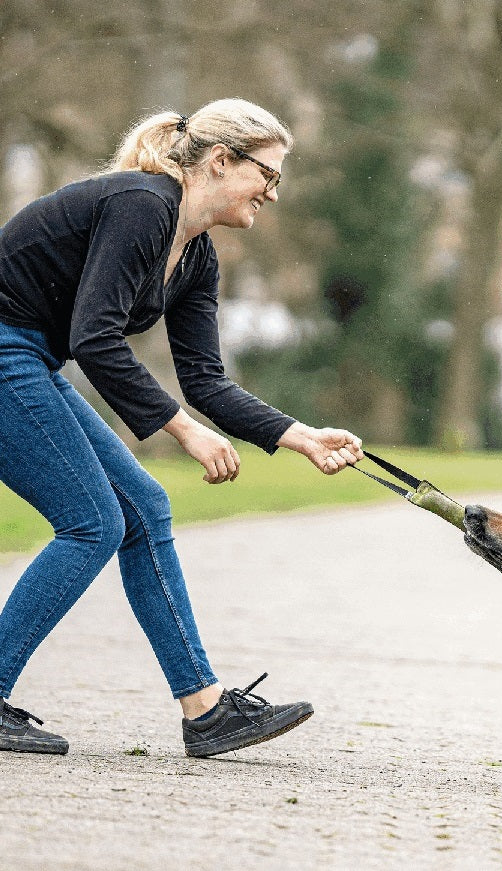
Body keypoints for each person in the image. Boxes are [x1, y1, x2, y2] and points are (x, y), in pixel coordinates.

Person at [0, 98, 364, 759]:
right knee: (92, 521)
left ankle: (205, 710)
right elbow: (96, 337)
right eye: (268, 175)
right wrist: (185, 433)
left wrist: (298, 435)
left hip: (28, 356)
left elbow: (206, 381)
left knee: (143, 506)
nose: (273, 194)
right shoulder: (142, 204)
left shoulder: (195, 258)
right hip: (5, 348)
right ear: (220, 162)